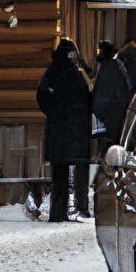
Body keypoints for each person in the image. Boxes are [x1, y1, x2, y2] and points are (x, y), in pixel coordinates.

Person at [36, 39, 91, 221]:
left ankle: (58, 212)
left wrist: (54, 112)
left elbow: (42, 95)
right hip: (70, 130)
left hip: (60, 129)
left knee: (59, 173)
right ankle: (60, 212)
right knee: (63, 171)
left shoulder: (54, 72)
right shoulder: (70, 73)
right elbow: (83, 98)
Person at [92, 40, 132, 151]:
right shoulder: (118, 66)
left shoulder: (108, 69)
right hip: (117, 117)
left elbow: (101, 95)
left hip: (109, 119)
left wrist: (98, 111)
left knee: (107, 150)